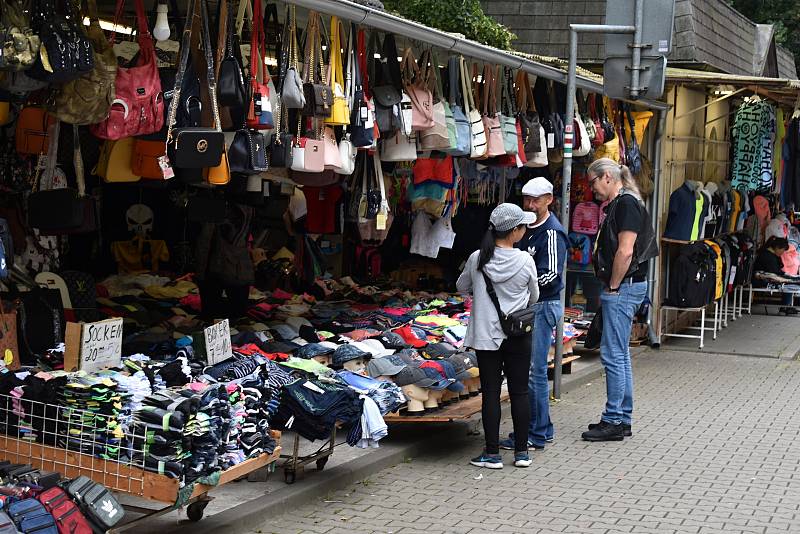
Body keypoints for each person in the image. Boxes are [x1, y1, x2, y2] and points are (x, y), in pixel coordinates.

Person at [582, 158, 658, 442]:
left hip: (623, 287)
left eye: (592, 182)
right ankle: (621, 418)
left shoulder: (625, 204)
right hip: (626, 286)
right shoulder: (625, 203)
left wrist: (613, 286)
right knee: (620, 354)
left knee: (613, 354)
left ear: (607, 177)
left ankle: (614, 420)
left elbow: (625, 251)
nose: (591, 190)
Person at [457, 203, 539, 469]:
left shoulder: (477, 258)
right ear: (514, 231)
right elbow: (534, 296)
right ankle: (521, 453)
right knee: (519, 392)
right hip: (518, 334)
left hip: (486, 336)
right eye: (522, 226)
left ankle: (492, 454)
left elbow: (462, 287)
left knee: (491, 393)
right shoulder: (525, 260)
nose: (525, 229)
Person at [498, 177, 568, 452]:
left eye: (535, 200)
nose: (529, 204)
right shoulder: (524, 228)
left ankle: (536, 434)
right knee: (530, 371)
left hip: (542, 305)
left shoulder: (551, 232)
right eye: (526, 199)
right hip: (530, 305)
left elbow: (550, 274)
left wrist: (519, 288)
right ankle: (539, 429)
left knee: (533, 372)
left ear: (549, 199)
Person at [753, 236, 797, 314]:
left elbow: (776, 270)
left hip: (767, 277)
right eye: (782, 250)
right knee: (789, 285)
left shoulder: (771, 255)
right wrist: (786, 276)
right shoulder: (767, 256)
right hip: (761, 280)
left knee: (790, 281)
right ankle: (785, 307)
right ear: (777, 247)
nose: (782, 253)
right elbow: (775, 272)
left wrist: (786, 274)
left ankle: (786, 306)